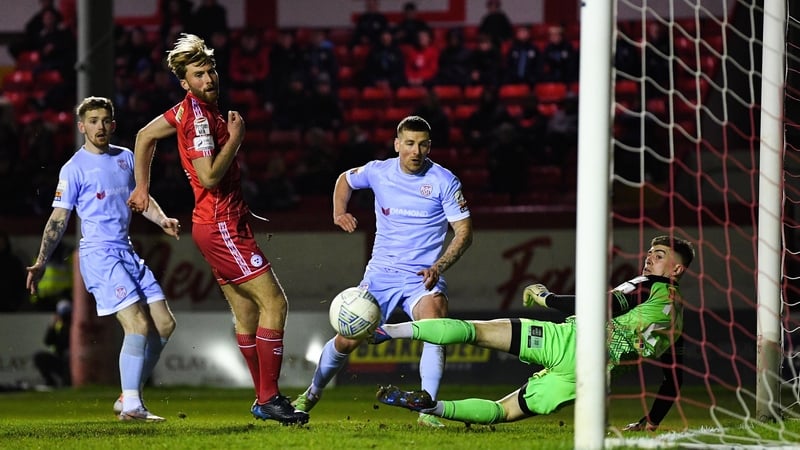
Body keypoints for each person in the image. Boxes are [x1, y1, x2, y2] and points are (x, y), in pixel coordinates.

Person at [126, 34, 309, 425]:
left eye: (210, 70)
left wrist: (142, 186)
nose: (209, 78)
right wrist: (237, 140)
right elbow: (209, 177)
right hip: (221, 224)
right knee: (275, 304)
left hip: (217, 224)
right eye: (199, 74)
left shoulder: (183, 111)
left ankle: (264, 399)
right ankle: (270, 397)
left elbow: (143, 137)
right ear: (185, 82)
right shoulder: (199, 122)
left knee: (245, 314)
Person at [373, 235, 694, 430]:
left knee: (474, 332)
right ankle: (432, 407)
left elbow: (604, 305)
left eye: (660, 255)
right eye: (651, 253)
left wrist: (548, 298)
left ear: (677, 270)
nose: (649, 258)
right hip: (589, 379)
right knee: (502, 411)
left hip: (570, 342)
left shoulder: (650, 285)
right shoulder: (677, 319)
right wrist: (652, 421)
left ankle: (388, 331)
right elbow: (673, 378)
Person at [291, 116, 474, 429]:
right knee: (346, 340)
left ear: (430, 146)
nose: (416, 151)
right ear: (397, 144)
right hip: (382, 275)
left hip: (421, 278)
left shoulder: (444, 180)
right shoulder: (378, 171)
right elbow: (344, 180)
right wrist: (339, 211)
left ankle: (426, 408)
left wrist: (439, 266)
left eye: (423, 144)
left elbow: (464, 232)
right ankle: (311, 393)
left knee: (436, 323)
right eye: (409, 143)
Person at [26, 96, 180, 421]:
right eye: (92, 120)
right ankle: (133, 407)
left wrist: (162, 220)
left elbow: (141, 199)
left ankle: (128, 394)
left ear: (113, 124)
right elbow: (58, 219)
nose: (99, 126)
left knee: (165, 324)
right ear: (81, 126)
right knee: (137, 324)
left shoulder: (125, 158)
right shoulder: (74, 168)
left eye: (105, 120)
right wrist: (41, 260)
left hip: (126, 251)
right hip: (99, 255)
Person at [33, 299, 72, 388]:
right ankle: (50, 382)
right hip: (60, 359)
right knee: (38, 356)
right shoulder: (57, 326)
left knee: (68, 354)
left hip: (72, 360)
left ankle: (67, 383)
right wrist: (52, 327)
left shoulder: (75, 326)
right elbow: (47, 341)